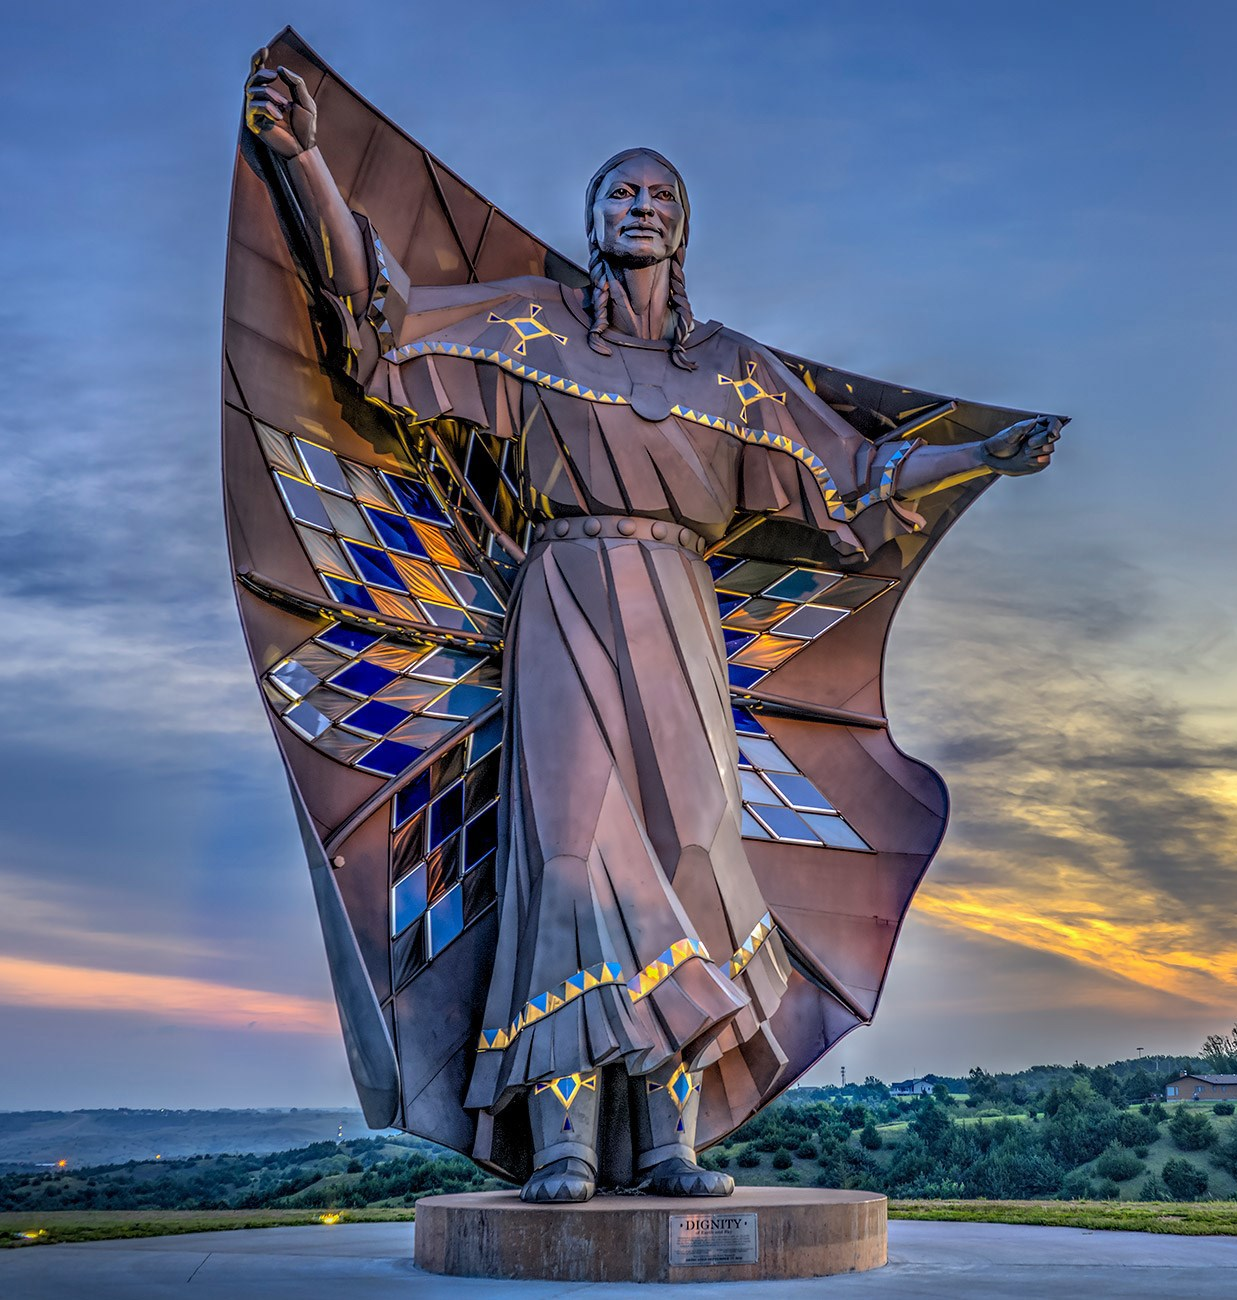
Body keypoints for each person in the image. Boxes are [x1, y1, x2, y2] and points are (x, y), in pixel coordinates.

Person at [244, 53, 1059, 1202]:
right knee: (571, 857)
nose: (639, 206)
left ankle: (667, 1140)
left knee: (689, 854)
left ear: (684, 233)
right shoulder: (527, 331)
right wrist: (304, 162)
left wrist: (980, 452)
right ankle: (568, 1142)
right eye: (620, 192)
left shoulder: (733, 376)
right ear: (591, 221)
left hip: (680, 612)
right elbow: (378, 320)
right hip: (566, 592)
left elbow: (859, 472)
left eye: (660, 196)